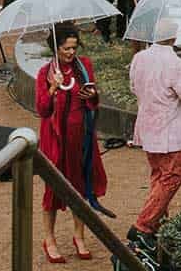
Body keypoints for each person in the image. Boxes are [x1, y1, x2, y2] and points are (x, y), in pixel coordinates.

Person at [36, 26, 108, 264]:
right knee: (53, 189)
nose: (71, 52)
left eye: (74, 48)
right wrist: (53, 86)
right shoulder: (45, 72)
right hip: (55, 138)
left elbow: (93, 101)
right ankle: (50, 239)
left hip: (80, 136)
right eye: (66, 48)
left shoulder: (83, 66)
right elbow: (42, 109)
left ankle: (79, 235)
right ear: (55, 48)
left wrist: (92, 96)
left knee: (80, 186)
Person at [129, 28, 181, 251]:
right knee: (172, 177)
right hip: (168, 130)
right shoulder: (173, 62)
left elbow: (134, 87)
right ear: (173, 37)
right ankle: (145, 224)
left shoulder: (139, 58)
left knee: (159, 176)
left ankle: (157, 224)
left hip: (148, 126)